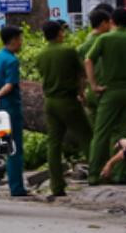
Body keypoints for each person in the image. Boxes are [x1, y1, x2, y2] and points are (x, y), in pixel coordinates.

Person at [85, 7, 126, 185]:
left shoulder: (105, 39)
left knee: (101, 133)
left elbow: (88, 60)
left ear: (112, 21)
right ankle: (120, 174)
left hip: (109, 92)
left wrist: (94, 85)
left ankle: (94, 174)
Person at [36, 19, 93, 199]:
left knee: (54, 142)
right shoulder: (68, 51)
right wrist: (82, 92)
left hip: (50, 101)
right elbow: (81, 73)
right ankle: (96, 174)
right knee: (86, 135)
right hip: (67, 100)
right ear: (60, 33)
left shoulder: (41, 55)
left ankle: (56, 185)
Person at [0, 25, 29, 196]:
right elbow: (10, 84)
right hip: (9, 107)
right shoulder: (12, 61)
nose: (21, 43)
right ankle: (16, 187)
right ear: (13, 40)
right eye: (20, 39)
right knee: (13, 147)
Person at [78, 8, 113, 124]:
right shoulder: (109, 42)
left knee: (95, 127)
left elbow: (80, 74)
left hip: (91, 93)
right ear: (103, 23)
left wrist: (81, 93)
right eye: (109, 23)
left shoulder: (82, 47)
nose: (111, 26)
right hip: (107, 90)